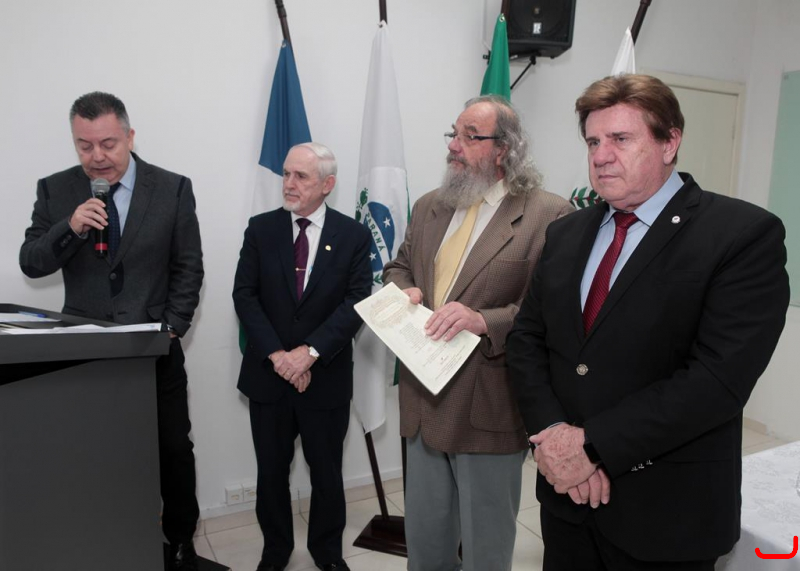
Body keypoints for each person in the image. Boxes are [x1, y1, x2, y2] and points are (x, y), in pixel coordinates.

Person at [507, 74, 790, 570]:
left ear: (669, 142)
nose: (601, 156)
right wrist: (553, 435)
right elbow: (528, 339)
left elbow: (717, 380)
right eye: (593, 141)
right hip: (567, 504)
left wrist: (592, 446)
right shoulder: (566, 233)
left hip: (667, 514)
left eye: (620, 139)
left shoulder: (741, 235)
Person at [383, 95, 573, 571]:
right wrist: (404, 291)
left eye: (470, 136)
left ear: (503, 149)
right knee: (426, 545)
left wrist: (484, 320)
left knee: (486, 550)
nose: (454, 145)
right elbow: (398, 267)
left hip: (488, 405)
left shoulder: (549, 214)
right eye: (454, 133)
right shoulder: (429, 205)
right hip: (422, 401)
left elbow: (552, 311)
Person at [19, 92, 204, 570]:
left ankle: (180, 541)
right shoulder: (55, 189)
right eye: (84, 146)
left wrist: (172, 328)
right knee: (95, 452)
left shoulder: (172, 188)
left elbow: (188, 267)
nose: (97, 157)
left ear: (130, 136)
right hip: (86, 353)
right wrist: (71, 226)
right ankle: (107, 539)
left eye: (107, 144)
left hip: (154, 347)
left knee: (172, 450)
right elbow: (32, 262)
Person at [233, 142, 372, 571]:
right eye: (286, 174)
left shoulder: (353, 235)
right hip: (269, 376)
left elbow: (356, 302)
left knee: (327, 474)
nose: (289, 184)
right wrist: (280, 356)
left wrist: (308, 354)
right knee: (271, 472)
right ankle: (275, 552)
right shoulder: (261, 229)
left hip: (325, 376)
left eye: (301, 176)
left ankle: (327, 554)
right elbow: (245, 296)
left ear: (327, 184)